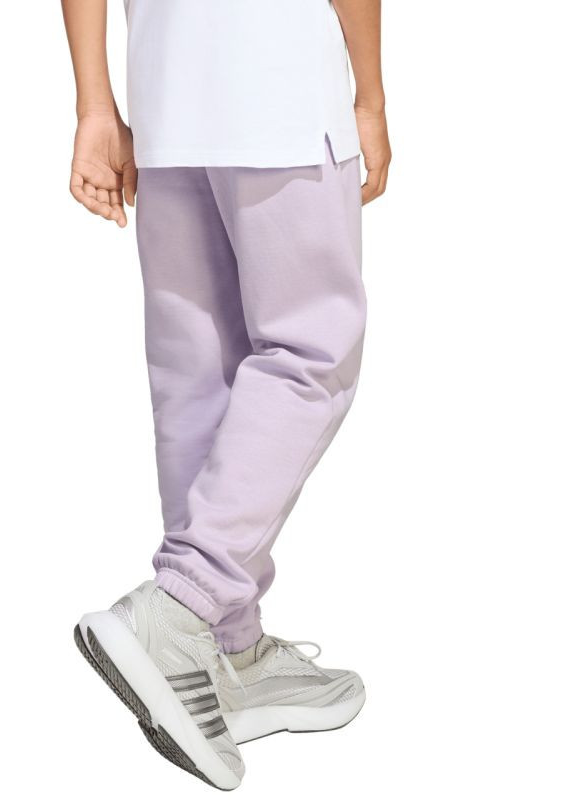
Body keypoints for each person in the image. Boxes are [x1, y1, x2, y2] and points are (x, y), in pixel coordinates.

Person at [62, 0, 391, 789]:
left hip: (167, 98)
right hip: (281, 85)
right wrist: (371, 94)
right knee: (311, 354)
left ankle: (224, 650)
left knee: (197, 381)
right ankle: (185, 602)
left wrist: (95, 105)